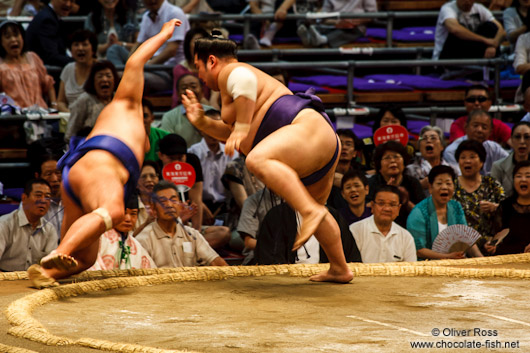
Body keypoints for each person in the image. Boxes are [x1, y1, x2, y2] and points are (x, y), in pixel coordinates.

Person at [182, 34, 354, 282]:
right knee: (317, 208)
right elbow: (233, 135)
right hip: (317, 139)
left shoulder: (233, 71)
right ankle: (340, 268)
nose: (199, 76)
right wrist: (202, 122)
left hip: (305, 128)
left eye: (197, 67)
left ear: (211, 61)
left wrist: (241, 126)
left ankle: (309, 212)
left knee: (256, 160)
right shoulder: (235, 97)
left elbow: (245, 81)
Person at [27, 18, 183, 289]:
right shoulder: (126, 102)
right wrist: (163, 35)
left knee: (86, 258)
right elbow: (136, 62)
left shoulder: (145, 141)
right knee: (112, 209)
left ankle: (46, 274)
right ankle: (56, 253)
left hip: (77, 178)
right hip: (100, 168)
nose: (145, 119)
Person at [136, 181, 228, 267]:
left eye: (173, 200)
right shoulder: (144, 239)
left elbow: (216, 261)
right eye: (163, 201)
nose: (169, 205)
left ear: (180, 205)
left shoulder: (192, 235)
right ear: (153, 208)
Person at [407, 165, 482, 260]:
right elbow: (419, 250)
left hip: (456, 262)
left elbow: (466, 238)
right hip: (428, 266)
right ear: (430, 187)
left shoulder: (456, 207)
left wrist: (481, 258)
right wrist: (447, 257)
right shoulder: (418, 212)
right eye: (439, 183)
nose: (444, 187)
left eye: (448, 183)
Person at [188, 109, 238, 225]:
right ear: (201, 130)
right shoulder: (192, 153)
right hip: (198, 206)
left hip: (225, 208)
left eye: (217, 126)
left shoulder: (232, 152)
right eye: (210, 126)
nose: (213, 132)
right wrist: (200, 206)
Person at [130, 0, 190, 94]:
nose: (152, 0)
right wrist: (129, 64)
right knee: (115, 50)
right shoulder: (146, 16)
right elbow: (138, 44)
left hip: (168, 70)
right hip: (149, 63)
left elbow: (171, 50)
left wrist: (146, 66)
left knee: (134, 77)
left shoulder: (175, 13)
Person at [453, 139, 505, 248]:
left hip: (490, 244)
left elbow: (508, 210)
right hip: (459, 244)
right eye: (463, 157)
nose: (467, 161)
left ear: (481, 162)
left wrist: (495, 207)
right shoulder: (452, 186)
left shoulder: (491, 184)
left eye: (472, 157)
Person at [0, 179, 57, 272]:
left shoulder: (50, 229)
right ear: (24, 198)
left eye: (47, 197)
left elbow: (52, 266)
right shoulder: (4, 224)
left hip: (35, 279)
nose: (43, 200)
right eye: (38, 195)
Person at [349, 185, 417, 263]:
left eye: (392, 204)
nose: (387, 209)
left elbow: (410, 270)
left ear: (398, 209)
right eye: (381, 204)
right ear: (372, 206)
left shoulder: (406, 237)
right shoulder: (355, 230)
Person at [89, 192, 156, 270]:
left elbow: (150, 271)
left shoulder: (136, 245)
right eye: (124, 213)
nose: (128, 219)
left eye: (133, 214)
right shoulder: (99, 237)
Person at [367, 141, 425, 228]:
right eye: (387, 158)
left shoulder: (413, 183)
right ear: (379, 165)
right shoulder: (372, 183)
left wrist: (406, 201)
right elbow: (366, 210)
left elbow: (422, 215)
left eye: (396, 157)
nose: (393, 161)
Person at [0, 20, 57, 109]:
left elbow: (48, 85)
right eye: (7, 37)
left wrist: (54, 105)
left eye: (16, 35)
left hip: (40, 114)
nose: (13, 39)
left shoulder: (33, 58)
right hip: (14, 118)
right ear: (1, 42)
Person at [64, 60, 119, 142]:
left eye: (108, 76)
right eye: (100, 76)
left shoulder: (120, 100)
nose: (104, 79)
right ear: (93, 81)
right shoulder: (84, 100)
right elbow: (71, 134)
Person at [433, 0, 506, 60]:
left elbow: (500, 29)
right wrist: (485, 40)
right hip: (449, 54)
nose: (467, 2)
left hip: (471, 51)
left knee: (491, 26)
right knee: (459, 32)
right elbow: (454, 29)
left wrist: (493, 45)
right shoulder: (447, 9)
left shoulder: (479, 8)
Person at [444, 109, 509, 175]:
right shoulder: (452, 151)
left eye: (484, 127)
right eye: (475, 126)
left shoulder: (494, 147)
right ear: (466, 127)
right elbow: (459, 177)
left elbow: (510, 163)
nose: (479, 130)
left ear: (490, 132)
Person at [486, 160, 530, 255]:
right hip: (507, 259)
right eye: (518, 176)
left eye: (528, 176)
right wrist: (491, 245)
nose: (523, 179)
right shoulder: (505, 205)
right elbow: (497, 233)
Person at [161, 73, 214, 147]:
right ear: (178, 94)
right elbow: (168, 143)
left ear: (202, 91)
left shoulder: (213, 112)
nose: (189, 90)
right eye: (184, 88)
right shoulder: (169, 116)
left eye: (193, 86)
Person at [296, 0, 377, 48]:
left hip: (355, 27)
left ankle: (323, 39)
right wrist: (336, 22)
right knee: (307, 22)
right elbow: (323, 18)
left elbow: (373, 15)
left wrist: (355, 21)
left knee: (349, 31)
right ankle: (309, 37)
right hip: (334, 24)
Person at [405, 126, 455, 196]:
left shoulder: (453, 170)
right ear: (419, 147)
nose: (428, 141)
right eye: (424, 138)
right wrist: (419, 185)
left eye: (433, 138)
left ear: (442, 146)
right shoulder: (410, 170)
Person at [57, 30, 98, 113]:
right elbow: (60, 102)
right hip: (70, 118)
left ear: (93, 50)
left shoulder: (100, 68)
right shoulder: (68, 69)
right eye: (76, 45)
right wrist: (70, 114)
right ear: (71, 51)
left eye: (84, 45)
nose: (80, 48)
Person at [25, 0, 74, 67]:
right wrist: (79, 62)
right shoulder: (47, 20)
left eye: (72, 1)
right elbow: (52, 57)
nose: (68, 4)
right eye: (64, 0)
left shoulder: (51, 16)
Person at [491, 122, 530, 197]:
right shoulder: (498, 167)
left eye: (527, 137)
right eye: (517, 137)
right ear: (511, 140)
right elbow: (495, 197)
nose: (522, 141)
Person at [143, 98, 169, 163]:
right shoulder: (122, 140)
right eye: (137, 116)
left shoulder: (166, 137)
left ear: (152, 118)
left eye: (145, 116)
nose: (141, 119)